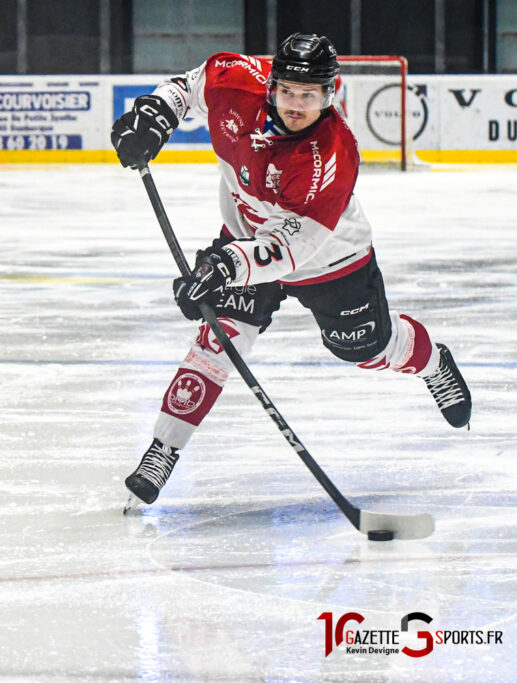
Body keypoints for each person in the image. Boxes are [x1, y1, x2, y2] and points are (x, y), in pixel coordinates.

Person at [111, 34, 472, 505]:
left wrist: (224, 266)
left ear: (330, 93)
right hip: (244, 239)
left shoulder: (333, 153)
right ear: (272, 85)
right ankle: (163, 448)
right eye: (287, 92)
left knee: (366, 349)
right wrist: (155, 115)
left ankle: (431, 361)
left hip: (329, 258)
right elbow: (188, 87)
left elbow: (292, 246)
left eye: (309, 95)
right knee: (218, 342)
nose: (296, 105)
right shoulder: (235, 80)